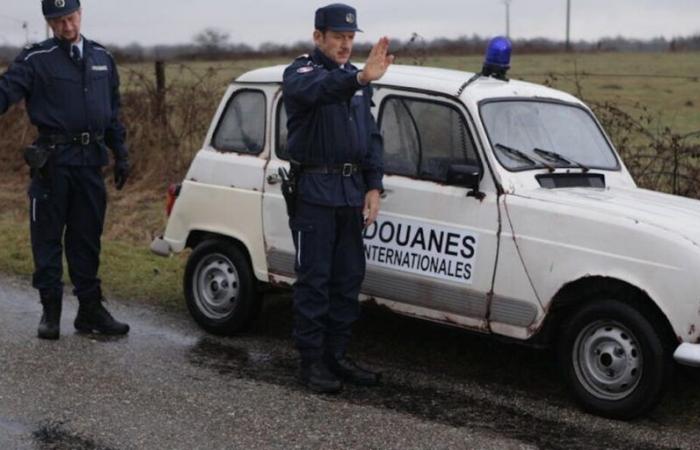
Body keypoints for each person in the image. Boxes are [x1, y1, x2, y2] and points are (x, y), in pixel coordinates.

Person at [0, 0, 130, 340]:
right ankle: (50, 310)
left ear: (80, 13)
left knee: (86, 239)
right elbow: (5, 92)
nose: (66, 27)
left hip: (91, 163)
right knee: (47, 240)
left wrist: (121, 152)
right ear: (48, 22)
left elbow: (113, 111)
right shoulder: (35, 59)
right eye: (57, 21)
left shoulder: (102, 57)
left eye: (70, 18)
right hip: (53, 164)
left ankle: (89, 311)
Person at [282, 3, 394, 393]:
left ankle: (336, 355)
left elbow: (372, 138)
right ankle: (311, 362)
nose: (346, 45)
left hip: (350, 194)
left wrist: (374, 186)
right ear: (318, 37)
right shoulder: (302, 73)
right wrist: (360, 77)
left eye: (350, 38)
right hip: (315, 193)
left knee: (347, 280)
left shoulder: (356, 80)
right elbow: (321, 91)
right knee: (315, 281)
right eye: (338, 38)